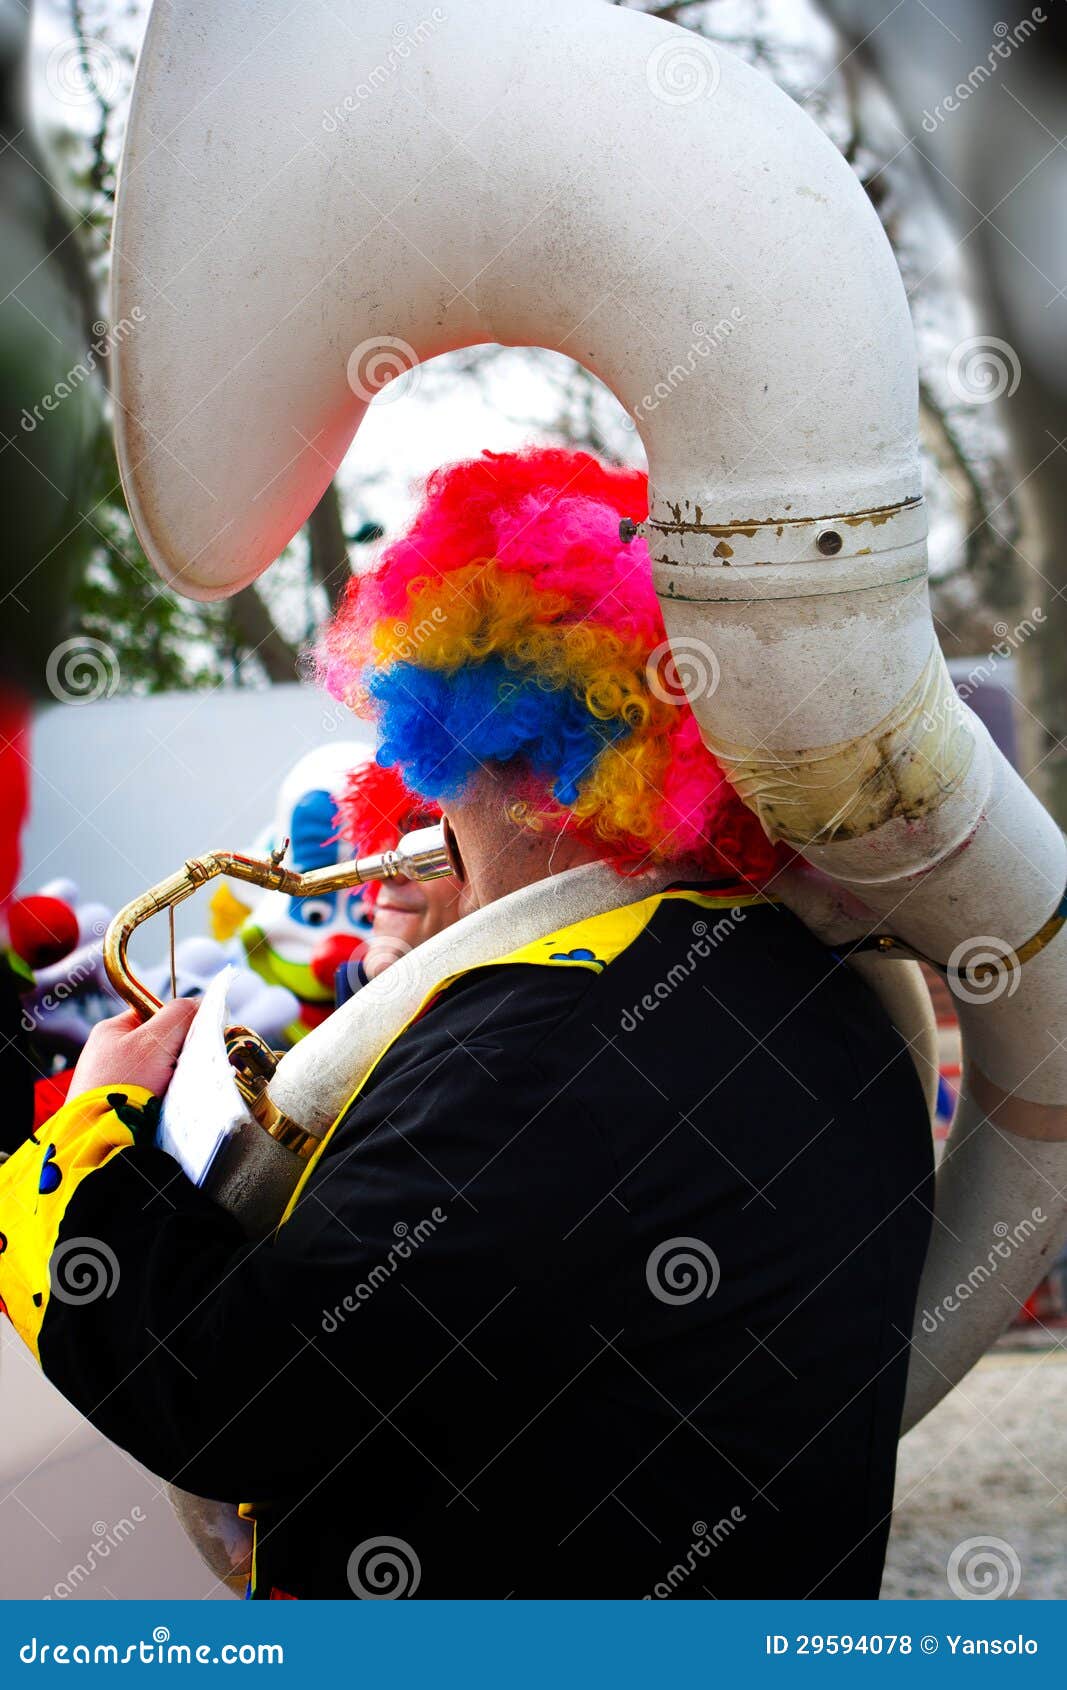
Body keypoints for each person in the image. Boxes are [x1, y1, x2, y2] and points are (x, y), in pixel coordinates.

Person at [0, 448, 932, 1599]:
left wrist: (88, 1132)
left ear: (525, 763)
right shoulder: (814, 992)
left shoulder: (535, 1044)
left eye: (437, 764)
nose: (427, 811)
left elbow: (231, 1393)